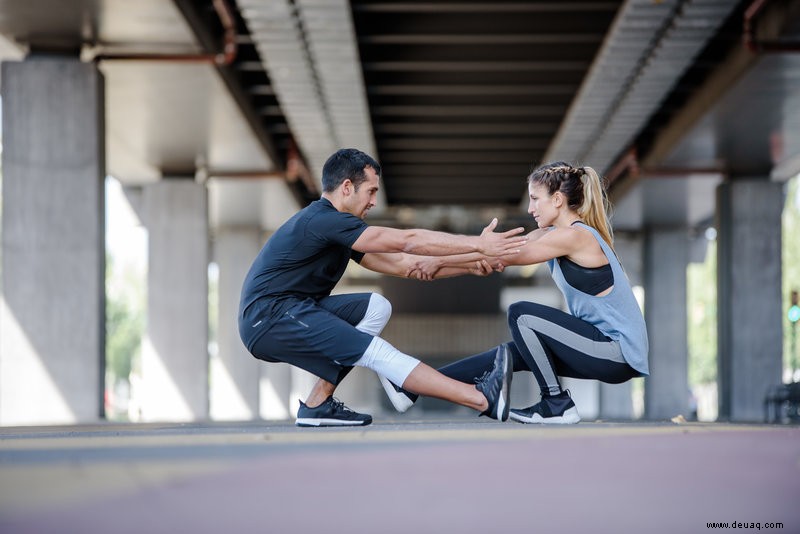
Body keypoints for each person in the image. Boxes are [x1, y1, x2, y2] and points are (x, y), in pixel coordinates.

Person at [238, 148, 526, 427]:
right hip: (269, 317)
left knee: (376, 307)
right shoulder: (322, 220)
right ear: (347, 187)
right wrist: (479, 243)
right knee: (378, 354)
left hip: (294, 310)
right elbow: (408, 240)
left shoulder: (339, 231)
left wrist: (471, 263)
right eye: (371, 191)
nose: (374, 201)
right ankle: (481, 398)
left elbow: (406, 264)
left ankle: (318, 404)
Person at [389, 161, 649, 424]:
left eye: (535, 199)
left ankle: (556, 403)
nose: (530, 208)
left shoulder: (576, 236)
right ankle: (413, 386)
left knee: (522, 315)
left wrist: (440, 261)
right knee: (512, 353)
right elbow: (495, 257)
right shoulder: (549, 234)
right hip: (598, 347)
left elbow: (508, 256)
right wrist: (442, 264)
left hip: (615, 351)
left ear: (557, 200)